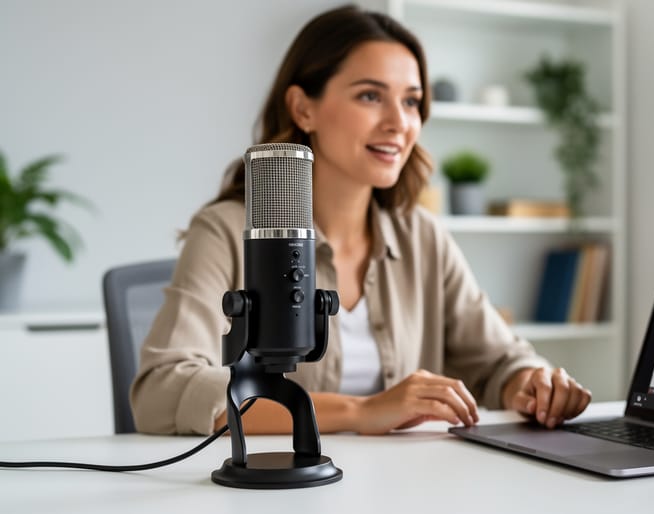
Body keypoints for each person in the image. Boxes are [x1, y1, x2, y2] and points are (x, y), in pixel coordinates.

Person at [130, 5, 591, 436]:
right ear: (302, 108)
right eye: (371, 96)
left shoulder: (423, 237)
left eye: (411, 102)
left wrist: (531, 384)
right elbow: (163, 388)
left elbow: (496, 360)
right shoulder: (228, 231)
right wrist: (362, 411)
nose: (398, 122)